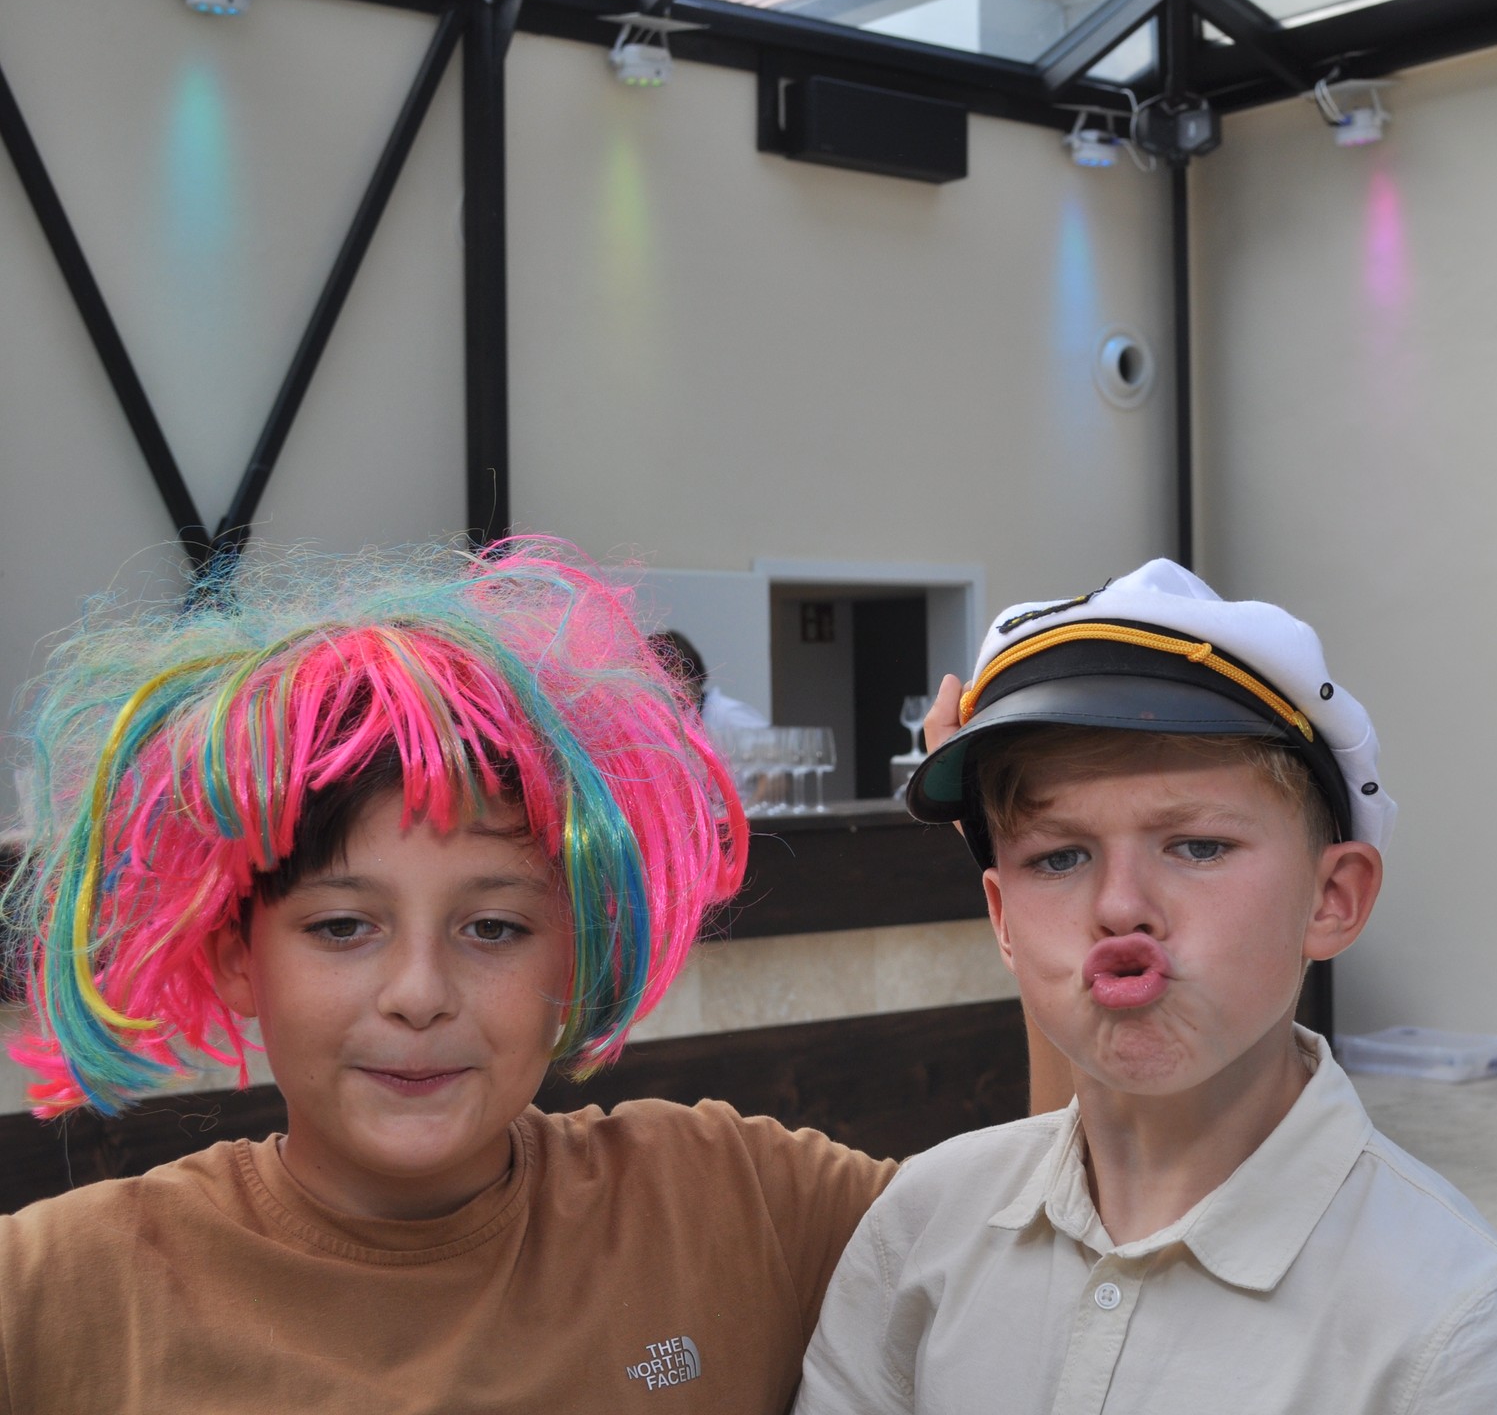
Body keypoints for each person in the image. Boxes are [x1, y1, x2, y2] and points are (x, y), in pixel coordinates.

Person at [0, 540, 893, 1413]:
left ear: (575, 953)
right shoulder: (52, 1297)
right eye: (343, 927)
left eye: (493, 928)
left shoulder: (738, 1204)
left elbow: (984, 1235)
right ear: (239, 956)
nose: (420, 994)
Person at [794, 559, 1497, 1413]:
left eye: (1199, 847)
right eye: (1059, 858)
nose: (1120, 907)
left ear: (1331, 898)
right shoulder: (918, 1232)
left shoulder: (1466, 1338)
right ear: (1003, 919)